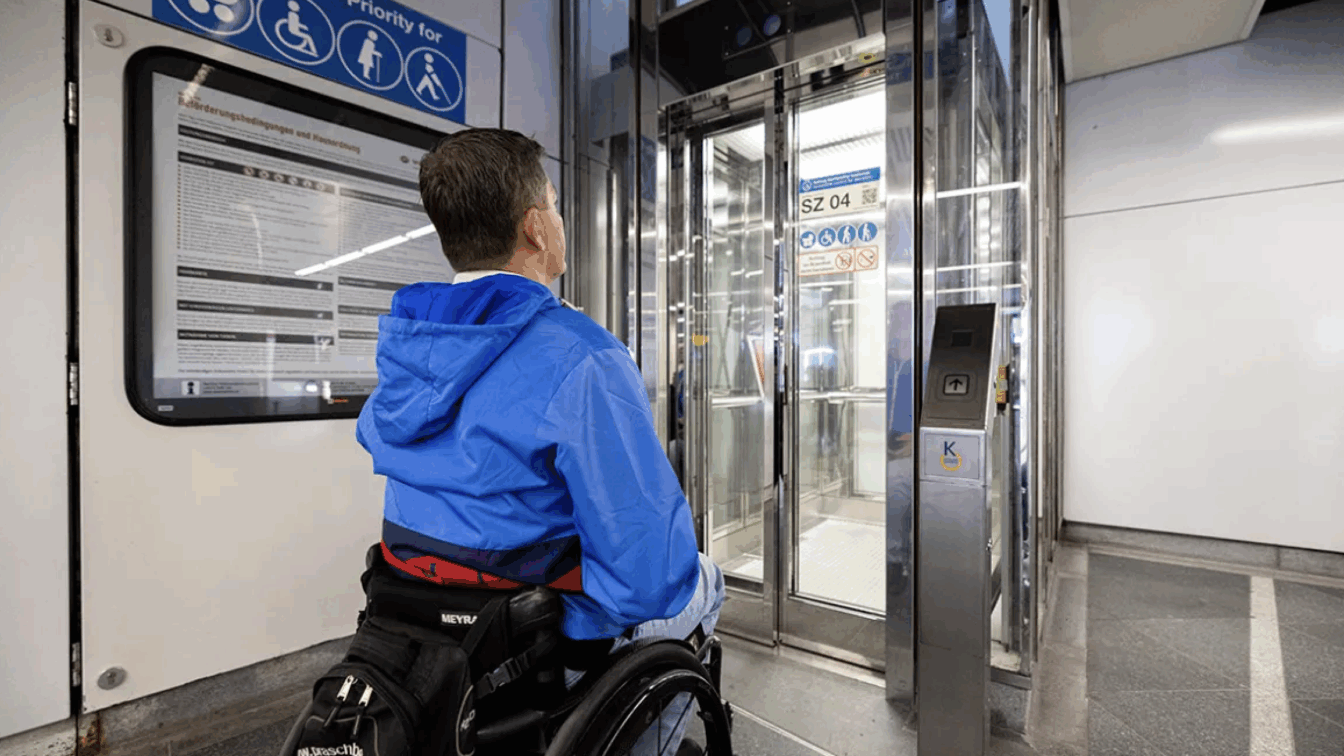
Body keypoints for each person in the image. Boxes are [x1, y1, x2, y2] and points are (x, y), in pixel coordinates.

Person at [355, 128, 724, 755]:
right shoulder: (581, 355)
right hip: (529, 642)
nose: (558, 217)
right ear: (535, 227)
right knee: (702, 582)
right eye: (554, 202)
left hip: (423, 622)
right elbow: (649, 577)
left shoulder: (410, 344)